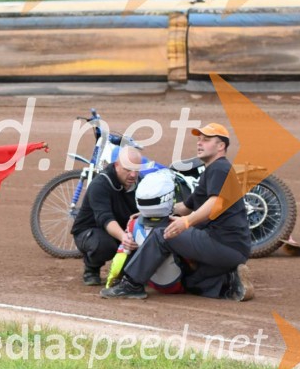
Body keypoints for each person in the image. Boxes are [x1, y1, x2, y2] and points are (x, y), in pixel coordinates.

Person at [100, 123, 254, 301]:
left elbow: (215, 203)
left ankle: (132, 284)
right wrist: (147, 213)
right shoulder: (209, 171)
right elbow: (184, 207)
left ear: (221, 146)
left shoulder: (220, 168)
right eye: (198, 139)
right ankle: (230, 281)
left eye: (206, 140)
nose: (199, 143)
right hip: (228, 247)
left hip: (224, 243)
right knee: (189, 281)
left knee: (161, 235)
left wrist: (186, 222)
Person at [71, 146, 142, 286]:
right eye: (128, 169)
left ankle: (126, 269)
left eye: (136, 170)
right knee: (105, 245)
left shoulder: (142, 184)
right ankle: (91, 268)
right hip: (90, 231)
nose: (133, 175)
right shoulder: (100, 184)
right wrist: (123, 237)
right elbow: (105, 218)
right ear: (116, 166)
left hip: (122, 230)